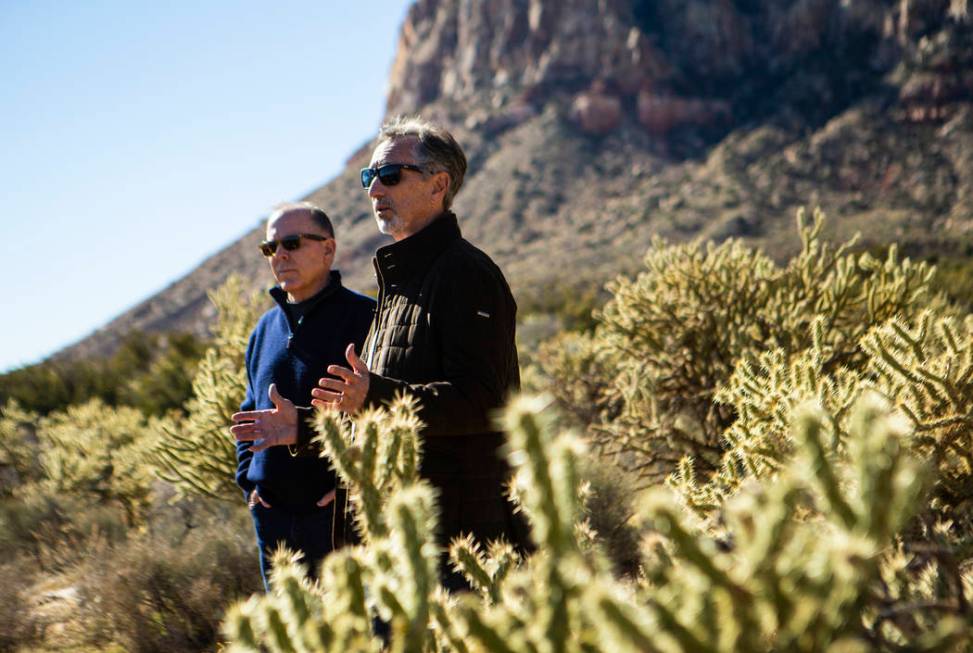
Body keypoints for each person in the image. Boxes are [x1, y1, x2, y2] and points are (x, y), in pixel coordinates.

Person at [310, 116, 529, 587]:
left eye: (390, 175)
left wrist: (374, 395)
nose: (374, 190)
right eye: (369, 177)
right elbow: (381, 405)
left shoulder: (467, 275)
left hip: (456, 541)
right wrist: (305, 430)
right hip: (396, 542)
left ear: (439, 184)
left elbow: (484, 400)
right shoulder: (398, 283)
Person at [229, 202, 375, 590]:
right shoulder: (264, 329)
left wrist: (349, 490)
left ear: (328, 249)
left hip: (336, 515)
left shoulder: (366, 318)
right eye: (270, 248)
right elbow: (249, 411)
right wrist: (250, 483)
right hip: (273, 517)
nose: (280, 255)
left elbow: (385, 412)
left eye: (291, 243)